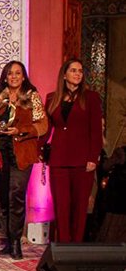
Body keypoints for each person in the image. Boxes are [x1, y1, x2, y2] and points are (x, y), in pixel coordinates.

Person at [0, 60, 48, 259]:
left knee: (16, 196)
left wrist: (21, 131)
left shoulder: (32, 97)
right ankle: (8, 240)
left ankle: (16, 243)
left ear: (23, 77)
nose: (14, 76)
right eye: (10, 73)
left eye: (17, 73)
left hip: (22, 152)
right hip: (2, 152)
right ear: (5, 77)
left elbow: (42, 125)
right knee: (4, 197)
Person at [45, 58, 103, 243]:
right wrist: (36, 148)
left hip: (82, 161)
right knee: (61, 207)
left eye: (80, 71)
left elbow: (96, 131)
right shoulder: (51, 98)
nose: (78, 74)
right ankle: (63, 248)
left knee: (79, 208)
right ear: (64, 75)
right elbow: (46, 129)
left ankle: (76, 248)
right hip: (59, 160)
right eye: (73, 70)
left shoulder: (91, 97)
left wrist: (93, 157)